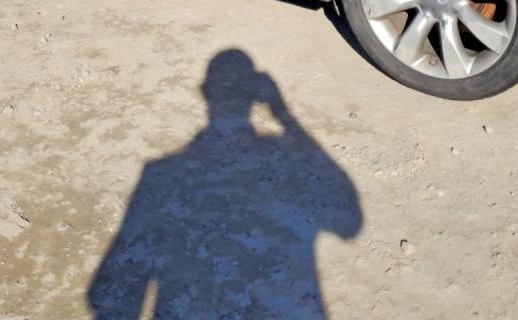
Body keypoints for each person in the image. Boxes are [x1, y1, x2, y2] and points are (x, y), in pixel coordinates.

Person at [88, 50, 361, 319]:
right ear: (255, 97)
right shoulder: (284, 158)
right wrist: (283, 113)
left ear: (204, 91)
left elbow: (107, 291)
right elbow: (349, 222)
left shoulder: (159, 173)